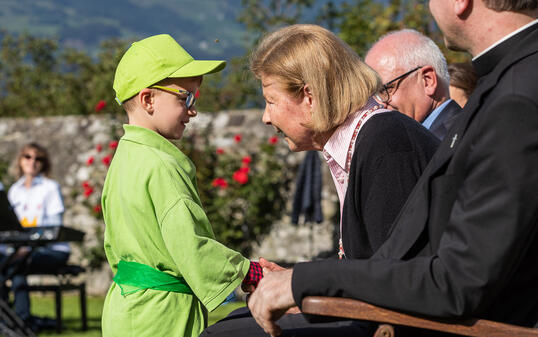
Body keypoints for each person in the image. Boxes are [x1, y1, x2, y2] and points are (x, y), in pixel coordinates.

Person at [246, 1, 538, 336]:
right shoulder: (508, 81)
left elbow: (457, 283)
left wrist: (304, 280)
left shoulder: (515, 98)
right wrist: (299, 280)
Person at [202, 24, 439, 337]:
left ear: (309, 97)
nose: (265, 117)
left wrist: (303, 284)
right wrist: (296, 279)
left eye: (271, 100)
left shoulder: (388, 143)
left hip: (401, 326)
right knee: (231, 324)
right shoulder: (366, 140)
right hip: (373, 314)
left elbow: (397, 277)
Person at [101, 34, 263, 337]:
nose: (193, 110)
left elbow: (113, 243)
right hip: (163, 316)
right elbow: (190, 244)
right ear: (148, 99)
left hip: (126, 307)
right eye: (184, 98)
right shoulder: (163, 164)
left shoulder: (124, 158)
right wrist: (247, 271)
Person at [5, 143, 67, 329]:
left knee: (16, 266)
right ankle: (13, 319)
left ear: (43, 163)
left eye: (38, 158)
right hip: (21, 251)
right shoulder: (14, 191)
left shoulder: (50, 188)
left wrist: (26, 248)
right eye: (27, 156)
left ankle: (21, 321)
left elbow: (53, 230)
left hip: (53, 250)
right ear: (20, 160)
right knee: (10, 264)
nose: (32, 162)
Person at [365, 29, 461, 140]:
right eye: (372, 96)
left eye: (385, 90)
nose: (378, 105)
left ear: (427, 80)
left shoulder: (455, 141)